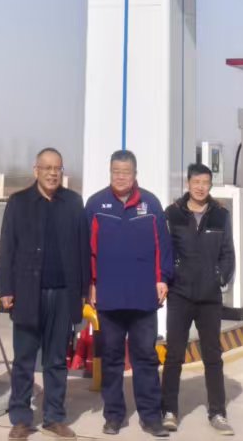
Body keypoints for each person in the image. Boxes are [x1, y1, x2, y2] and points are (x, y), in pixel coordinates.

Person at [83, 150, 174, 436]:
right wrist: (90, 283)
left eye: (126, 172)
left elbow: (163, 246)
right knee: (111, 359)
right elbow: (87, 250)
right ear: (110, 172)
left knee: (145, 357)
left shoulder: (151, 204)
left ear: (135, 174)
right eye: (115, 171)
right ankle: (113, 415)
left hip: (143, 297)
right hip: (108, 297)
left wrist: (162, 279)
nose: (120, 177)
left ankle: (151, 416)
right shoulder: (96, 205)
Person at [0, 147, 86, 439]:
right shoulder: (19, 202)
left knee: (56, 360)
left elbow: (82, 249)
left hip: (62, 294)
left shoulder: (73, 203)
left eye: (57, 168)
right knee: (24, 359)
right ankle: (21, 418)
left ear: (62, 172)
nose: (52, 173)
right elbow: (7, 248)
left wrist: (82, 291)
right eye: (47, 168)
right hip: (27, 293)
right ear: (35, 170)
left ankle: (54, 417)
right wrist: (7, 289)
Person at [160, 163, 236, 436]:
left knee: (213, 356)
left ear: (210, 185)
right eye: (196, 182)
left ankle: (218, 412)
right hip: (180, 295)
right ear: (188, 183)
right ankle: (169, 411)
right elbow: (165, 251)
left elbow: (228, 253)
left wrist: (219, 277)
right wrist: (169, 278)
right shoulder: (172, 213)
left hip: (209, 298)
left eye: (205, 182)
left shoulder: (220, 215)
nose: (200, 187)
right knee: (174, 355)